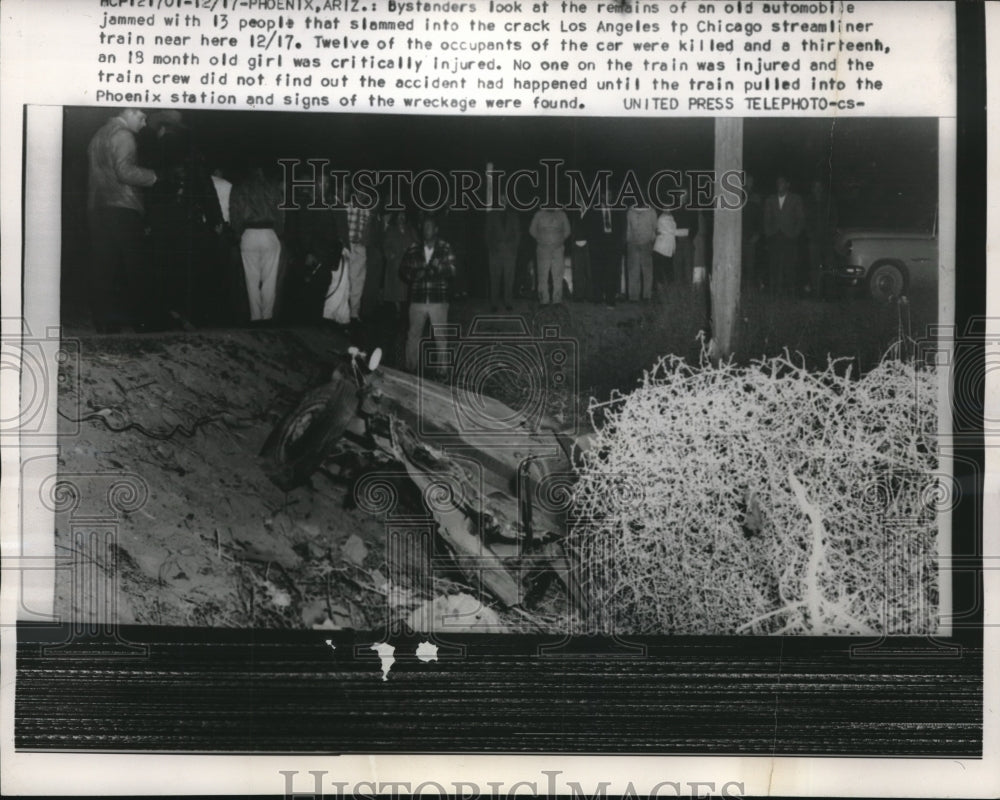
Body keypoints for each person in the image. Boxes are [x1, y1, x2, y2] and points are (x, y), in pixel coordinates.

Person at [86, 107, 160, 332]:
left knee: (104, 268)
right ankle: (143, 323)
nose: (145, 123)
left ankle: (105, 323)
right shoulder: (124, 135)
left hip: (98, 208)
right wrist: (155, 176)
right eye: (142, 116)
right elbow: (124, 172)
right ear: (129, 112)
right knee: (136, 268)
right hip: (123, 207)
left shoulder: (98, 135)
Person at [400, 215, 456, 373]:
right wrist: (413, 275)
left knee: (441, 337)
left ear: (436, 229)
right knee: (413, 335)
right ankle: (410, 368)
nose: (426, 230)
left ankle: (442, 371)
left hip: (438, 300)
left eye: (430, 226)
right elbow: (403, 269)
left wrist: (437, 268)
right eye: (424, 227)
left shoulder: (445, 247)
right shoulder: (413, 248)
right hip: (417, 299)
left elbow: (452, 270)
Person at [230, 167, 285, 322]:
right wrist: (279, 233)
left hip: (249, 234)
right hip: (269, 232)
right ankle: (267, 316)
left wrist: (237, 233)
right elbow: (281, 213)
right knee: (270, 279)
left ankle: (255, 317)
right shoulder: (273, 187)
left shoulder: (239, 187)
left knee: (251, 280)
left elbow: (234, 213)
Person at [763, 175, 805, 294]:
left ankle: (789, 292)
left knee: (789, 265)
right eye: (778, 183)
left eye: (782, 183)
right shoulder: (770, 199)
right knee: (773, 265)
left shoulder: (796, 199)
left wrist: (795, 233)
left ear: (788, 184)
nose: (779, 185)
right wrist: (768, 234)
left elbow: (801, 219)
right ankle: (773, 291)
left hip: (789, 236)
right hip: (774, 236)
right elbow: (766, 219)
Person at [585, 185, 625, 307]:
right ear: (601, 196)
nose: (608, 197)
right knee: (597, 272)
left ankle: (610, 300)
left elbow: (621, 228)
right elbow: (588, 230)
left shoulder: (617, 210)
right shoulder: (592, 211)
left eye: (610, 195)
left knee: (611, 273)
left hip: (612, 246)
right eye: (606, 195)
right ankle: (597, 298)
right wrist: (593, 245)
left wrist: (619, 245)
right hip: (598, 246)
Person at [529, 205, 571, 305]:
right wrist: (541, 240)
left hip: (558, 250)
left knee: (558, 275)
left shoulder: (562, 214)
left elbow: (567, 231)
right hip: (543, 250)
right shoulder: (538, 214)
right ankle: (544, 300)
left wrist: (560, 241)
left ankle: (557, 300)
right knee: (543, 276)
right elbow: (532, 230)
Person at [343, 184, 372, 325]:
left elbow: (368, 231)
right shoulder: (345, 207)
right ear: (354, 193)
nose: (361, 196)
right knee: (344, 280)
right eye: (359, 192)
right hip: (346, 247)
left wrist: (364, 241)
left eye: (364, 193)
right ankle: (342, 313)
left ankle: (354, 314)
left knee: (358, 281)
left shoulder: (367, 211)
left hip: (360, 248)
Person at [803, 179, 838, 296]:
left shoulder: (829, 201)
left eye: (819, 186)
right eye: (815, 187)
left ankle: (830, 293)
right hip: (813, 240)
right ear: (812, 188)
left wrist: (831, 232)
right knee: (814, 267)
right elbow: (805, 220)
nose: (817, 189)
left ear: (822, 188)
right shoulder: (808, 201)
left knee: (829, 266)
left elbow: (834, 218)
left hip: (827, 239)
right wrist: (810, 234)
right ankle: (815, 292)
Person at [485, 200, 521, 311]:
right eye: (500, 200)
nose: (502, 202)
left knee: (509, 279)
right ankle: (494, 304)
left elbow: (518, 233)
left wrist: (514, 248)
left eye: (504, 200)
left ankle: (508, 302)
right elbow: (487, 233)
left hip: (510, 253)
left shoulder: (513, 215)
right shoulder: (491, 215)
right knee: (494, 278)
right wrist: (492, 248)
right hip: (495, 252)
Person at [382, 211, 417, 311]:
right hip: (396, 261)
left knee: (408, 285)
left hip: (409, 261)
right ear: (396, 218)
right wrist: (390, 254)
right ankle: (398, 307)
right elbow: (385, 245)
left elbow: (417, 242)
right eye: (400, 216)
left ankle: (408, 306)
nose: (402, 218)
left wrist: (413, 247)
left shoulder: (410, 229)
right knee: (397, 284)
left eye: (404, 215)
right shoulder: (391, 230)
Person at [625, 201, 658, 302]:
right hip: (633, 244)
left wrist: (651, 241)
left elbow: (655, 228)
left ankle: (646, 296)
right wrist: (628, 241)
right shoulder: (630, 212)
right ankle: (633, 296)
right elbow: (628, 228)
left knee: (647, 271)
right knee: (633, 271)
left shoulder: (652, 211)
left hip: (646, 244)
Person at [672, 187, 700, 287]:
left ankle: (689, 292)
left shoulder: (692, 208)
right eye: (681, 194)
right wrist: (674, 239)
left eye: (685, 194)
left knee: (688, 267)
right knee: (677, 268)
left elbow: (696, 226)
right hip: (676, 241)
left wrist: (689, 238)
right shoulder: (673, 209)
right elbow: (669, 225)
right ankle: (678, 292)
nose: (682, 196)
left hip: (687, 241)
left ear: (687, 196)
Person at [652, 207, 677, 297]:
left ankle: (664, 296)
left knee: (665, 275)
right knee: (662, 275)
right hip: (661, 250)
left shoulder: (671, 218)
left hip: (667, 250)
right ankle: (661, 296)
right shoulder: (663, 218)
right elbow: (671, 231)